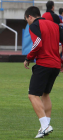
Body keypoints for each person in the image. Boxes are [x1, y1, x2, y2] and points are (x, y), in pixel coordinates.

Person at [24, 6, 61, 138]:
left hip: (44, 63)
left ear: (30, 17)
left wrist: (28, 57)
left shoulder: (34, 25)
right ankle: (45, 126)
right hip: (56, 65)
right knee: (45, 94)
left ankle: (45, 126)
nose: (27, 23)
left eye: (26, 20)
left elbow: (38, 43)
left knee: (33, 95)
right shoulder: (55, 25)